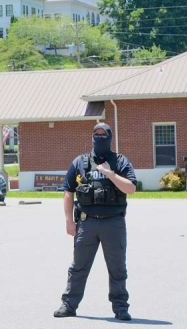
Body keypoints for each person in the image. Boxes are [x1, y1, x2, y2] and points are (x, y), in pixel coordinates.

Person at [54, 123, 137, 321]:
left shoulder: (119, 161)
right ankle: (69, 305)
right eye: (96, 134)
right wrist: (68, 221)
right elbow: (68, 192)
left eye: (103, 134)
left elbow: (131, 188)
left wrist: (109, 173)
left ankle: (120, 308)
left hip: (113, 223)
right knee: (78, 267)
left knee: (117, 268)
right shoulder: (80, 162)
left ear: (110, 137)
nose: (99, 138)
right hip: (86, 223)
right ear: (92, 137)